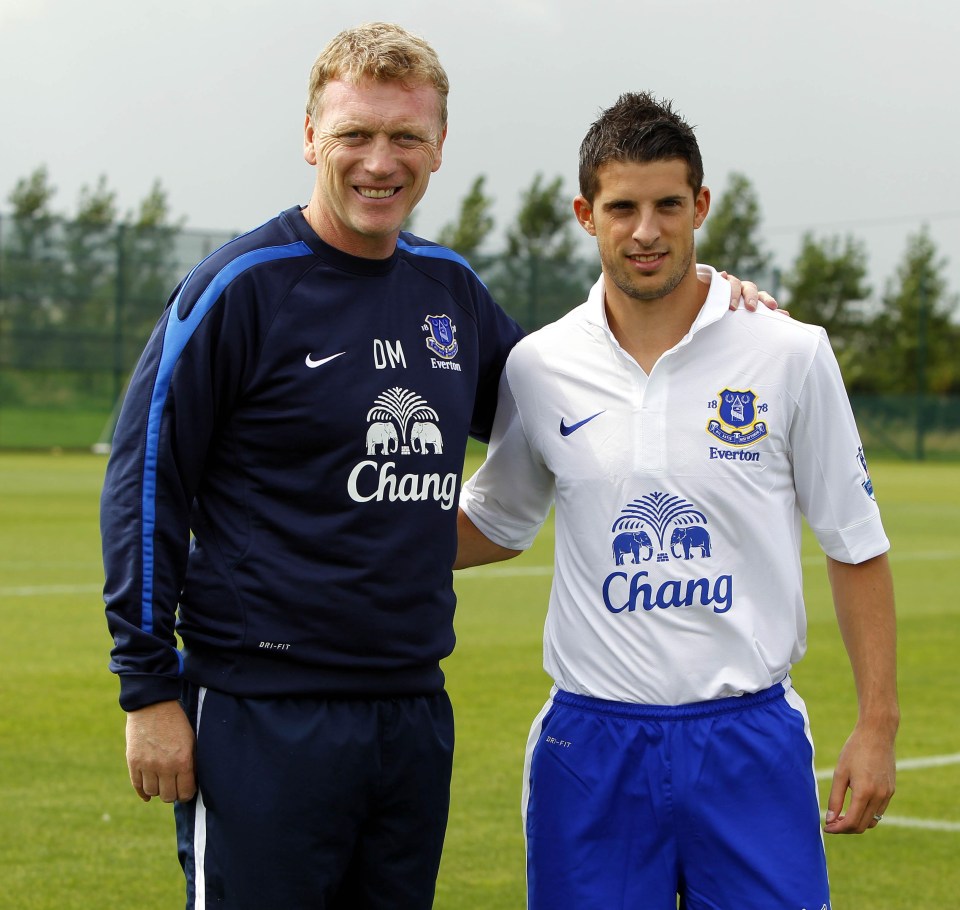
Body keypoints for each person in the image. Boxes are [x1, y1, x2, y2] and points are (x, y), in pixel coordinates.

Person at [100, 23, 775, 909]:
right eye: (355, 135)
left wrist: (708, 303)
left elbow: (577, 399)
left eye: (406, 137)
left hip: (412, 713)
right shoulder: (239, 289)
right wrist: (148, 690)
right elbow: (146, 483)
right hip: (263, 712)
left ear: (439, 147)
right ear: (311, 137)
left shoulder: (449, 292)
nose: (381, 162)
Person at [456, 91, 898, 910]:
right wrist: (341, 529)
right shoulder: (539, 365)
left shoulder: (791, 352)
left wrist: (878, 725)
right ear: (587, 214)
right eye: (622, 208)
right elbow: (495, 520)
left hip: (748, 742)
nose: (646, 231)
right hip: (590, 746)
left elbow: (854, 540)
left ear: (701, 204)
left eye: (667, 204)